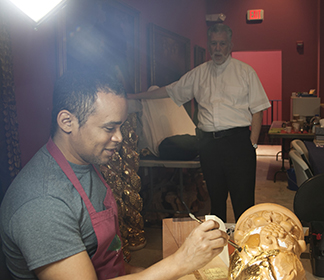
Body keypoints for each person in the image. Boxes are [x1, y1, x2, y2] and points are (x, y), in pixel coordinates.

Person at [0, 71, 228, 279]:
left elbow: (106, 261)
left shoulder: (85, 162)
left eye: (121, 126)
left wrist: (149, 272)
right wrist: (180, 262)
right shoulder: (42, 204)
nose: (119, 138)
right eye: (109, 128)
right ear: (67, 122)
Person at [128, 24, 271, 222]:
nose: (218, 48)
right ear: (209, 46)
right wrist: (136, 96)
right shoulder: (199, 74)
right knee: (215, 200)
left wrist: (252, 144)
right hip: (208, 144)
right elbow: (171, 90)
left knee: (243, 200)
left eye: (222, 43)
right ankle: (219, 249)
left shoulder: (246, 72)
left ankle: (246, 249)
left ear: (230, 45)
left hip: (238, 143)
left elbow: (258, 109)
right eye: (214, 44)